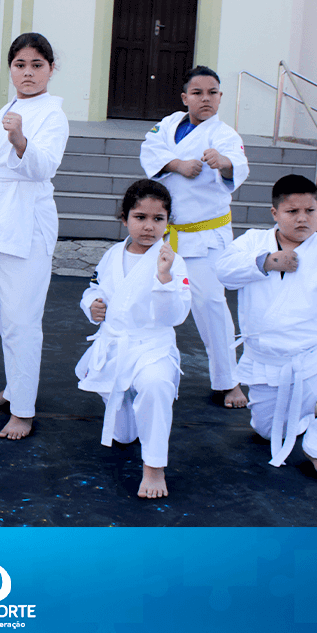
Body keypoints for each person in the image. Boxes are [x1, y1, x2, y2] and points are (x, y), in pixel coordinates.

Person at [215, 175, 317, 480]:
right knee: (267, 432)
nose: (303, 218)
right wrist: (266, 261)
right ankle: (309, 407)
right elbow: (224, 271)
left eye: (310, 211)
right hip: (269, 358)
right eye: (293, 211)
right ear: (275, 213)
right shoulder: (254, 241)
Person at [0, 33, 69, 440]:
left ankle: (23, 410)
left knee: (23, 319)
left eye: (37, 65)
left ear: (51, 69)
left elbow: (44, 167)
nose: (27, 73)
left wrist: (20, 140)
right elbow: (3, 165)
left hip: (26, 225)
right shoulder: (10, 107)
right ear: (10, 69)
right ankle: (14, 388)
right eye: (20, 65)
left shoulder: (52, 114)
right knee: (7, 318)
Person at [139, 66, 249, 408]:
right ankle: (139, 370)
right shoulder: (169, 124)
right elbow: (149, 150)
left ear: (220, 97)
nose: (206, 99)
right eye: (198, 93)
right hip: (165, 234)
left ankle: (228, 381)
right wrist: (178, 165)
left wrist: (223, 162)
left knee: (212, 305)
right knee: (148, 300)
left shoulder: (224, 134)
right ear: (185, 97)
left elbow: (238, 164)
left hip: (205, 236)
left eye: (212, 92)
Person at [75, 179, 191, 498]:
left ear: (168, 222)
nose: (149, 226)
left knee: (155, 386)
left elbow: (176, 316)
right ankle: (129, 412)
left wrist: (164, 278)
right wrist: (92, 304)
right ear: (124, 218)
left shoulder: (172, 261)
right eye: (140, 217)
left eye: (158, 219)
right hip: (114, 346)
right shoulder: (113, 254)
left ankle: (154, 468)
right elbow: (95, 288)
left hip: (152, 348)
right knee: (124, 436)